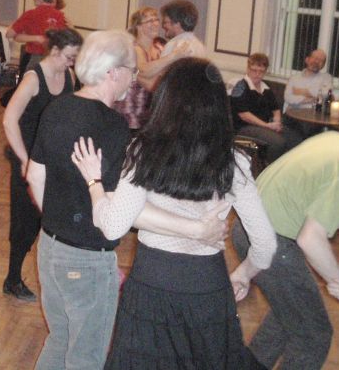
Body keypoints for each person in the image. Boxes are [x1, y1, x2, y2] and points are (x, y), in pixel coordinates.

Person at [26, 30, 228, 370]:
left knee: (59, 339)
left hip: (49, 248)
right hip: (87, 261)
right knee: (86, 357)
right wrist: (195, 229)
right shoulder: (112, 126)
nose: (134, 80)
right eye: (132, 71)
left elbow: (34, 175)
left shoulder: (56, 108)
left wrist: (61, 220)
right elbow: (123, 210)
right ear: (112, 72)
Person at [72, 57, 276, 370]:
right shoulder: (234, 162)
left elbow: (112, 226)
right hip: (208, 284)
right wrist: (243, 275)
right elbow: (265, 245)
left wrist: (94, 183)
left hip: (152, 284)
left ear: (166, 100)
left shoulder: (144, 152)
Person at [232, 108, 339, 369]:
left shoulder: (333, 141)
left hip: (246, 230)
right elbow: (311, 239)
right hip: (272, 246)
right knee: (314, 336)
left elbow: (308, 203)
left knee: (286, 317)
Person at [1, 28, 82, 302]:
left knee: (50, 220)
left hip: (54, 161)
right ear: (55, 51)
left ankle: (57, 279)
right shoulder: (33, 79)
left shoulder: (69, 76)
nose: (72, 63)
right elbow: (9, 120)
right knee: (25, 221)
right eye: (69, 57)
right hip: (28, 160)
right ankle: (12, 279)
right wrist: (24, 160)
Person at [231, 52, 302, 164]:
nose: (257, 74)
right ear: (248, 69)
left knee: (295, 139)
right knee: (278, 142)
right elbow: (244, 115)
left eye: (261, 72)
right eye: (254, 70)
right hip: (244, 128)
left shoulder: (266, 88)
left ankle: (288, 167)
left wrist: (277, 122)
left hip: (266, 125)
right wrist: (266, 125)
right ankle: (269, 168)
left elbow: (276, 109)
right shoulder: (240, 86)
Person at [115, 7, 164, 130]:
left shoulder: (159, 49)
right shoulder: (132, 48)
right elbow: (144, 73)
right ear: (138, 26)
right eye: (150, 21)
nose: (155, 24)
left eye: (156, 20)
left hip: (150, 112)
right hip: (129, 110)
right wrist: (174, 55)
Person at [6, 0, 67, 77]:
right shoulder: (60, 16)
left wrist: (35, 38)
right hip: (54, 59)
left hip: (35, 58)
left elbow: (9, 34)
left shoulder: (31, 14)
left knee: (31, 83)